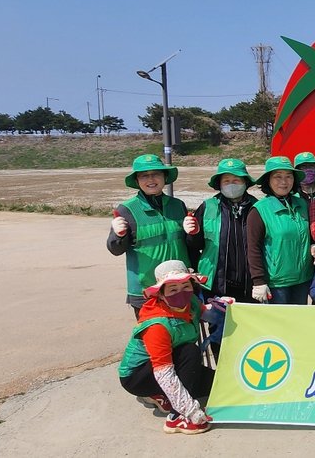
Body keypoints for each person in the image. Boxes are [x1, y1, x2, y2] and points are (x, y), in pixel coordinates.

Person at [118, 260, 226, 435]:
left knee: (215, 385)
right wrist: (190, 410)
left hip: (175, 361)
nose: (181, 293)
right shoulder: (157, 325)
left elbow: (206, 314)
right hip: (139, 375)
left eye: (186, 286)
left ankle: (161, 395)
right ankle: (176, 418)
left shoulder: (190, 302)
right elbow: (164, 373)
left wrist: (221, 308)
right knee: (190, 351)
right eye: (173, 289)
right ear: (161, 294)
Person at [108, 154, 190, 317]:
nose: (151, 179)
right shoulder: (127, 209)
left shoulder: (178, 205)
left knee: (185, 331)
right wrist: (118, 235)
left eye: (156, 174)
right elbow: (115, 249)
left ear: (165, 177)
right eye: (144, 175)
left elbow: (189, 244)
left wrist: (193, 234)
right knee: (155, 333)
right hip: (145, 290)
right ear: (137, 180)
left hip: (179, 287)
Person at [185, 158, 257, 303]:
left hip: (251, 284)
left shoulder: (257, 207)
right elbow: (194, 246)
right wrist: (192, 234)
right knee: (217, 318)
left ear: (245, 182)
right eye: (226, 181)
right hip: (215, 284)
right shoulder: (208, 207)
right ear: (219, 184)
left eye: (236, 180)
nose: (231, 184)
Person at [246, 156, 315, 305]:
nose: (284, 182)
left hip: (303, 280)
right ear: (268, 180)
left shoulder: (302, 204)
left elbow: (308, 233)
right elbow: (253, 248)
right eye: (278, 177)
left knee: (299, 318)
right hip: (277, 284)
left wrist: (314, 244)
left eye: (288, 176)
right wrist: (258, 281)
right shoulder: (260, 210)